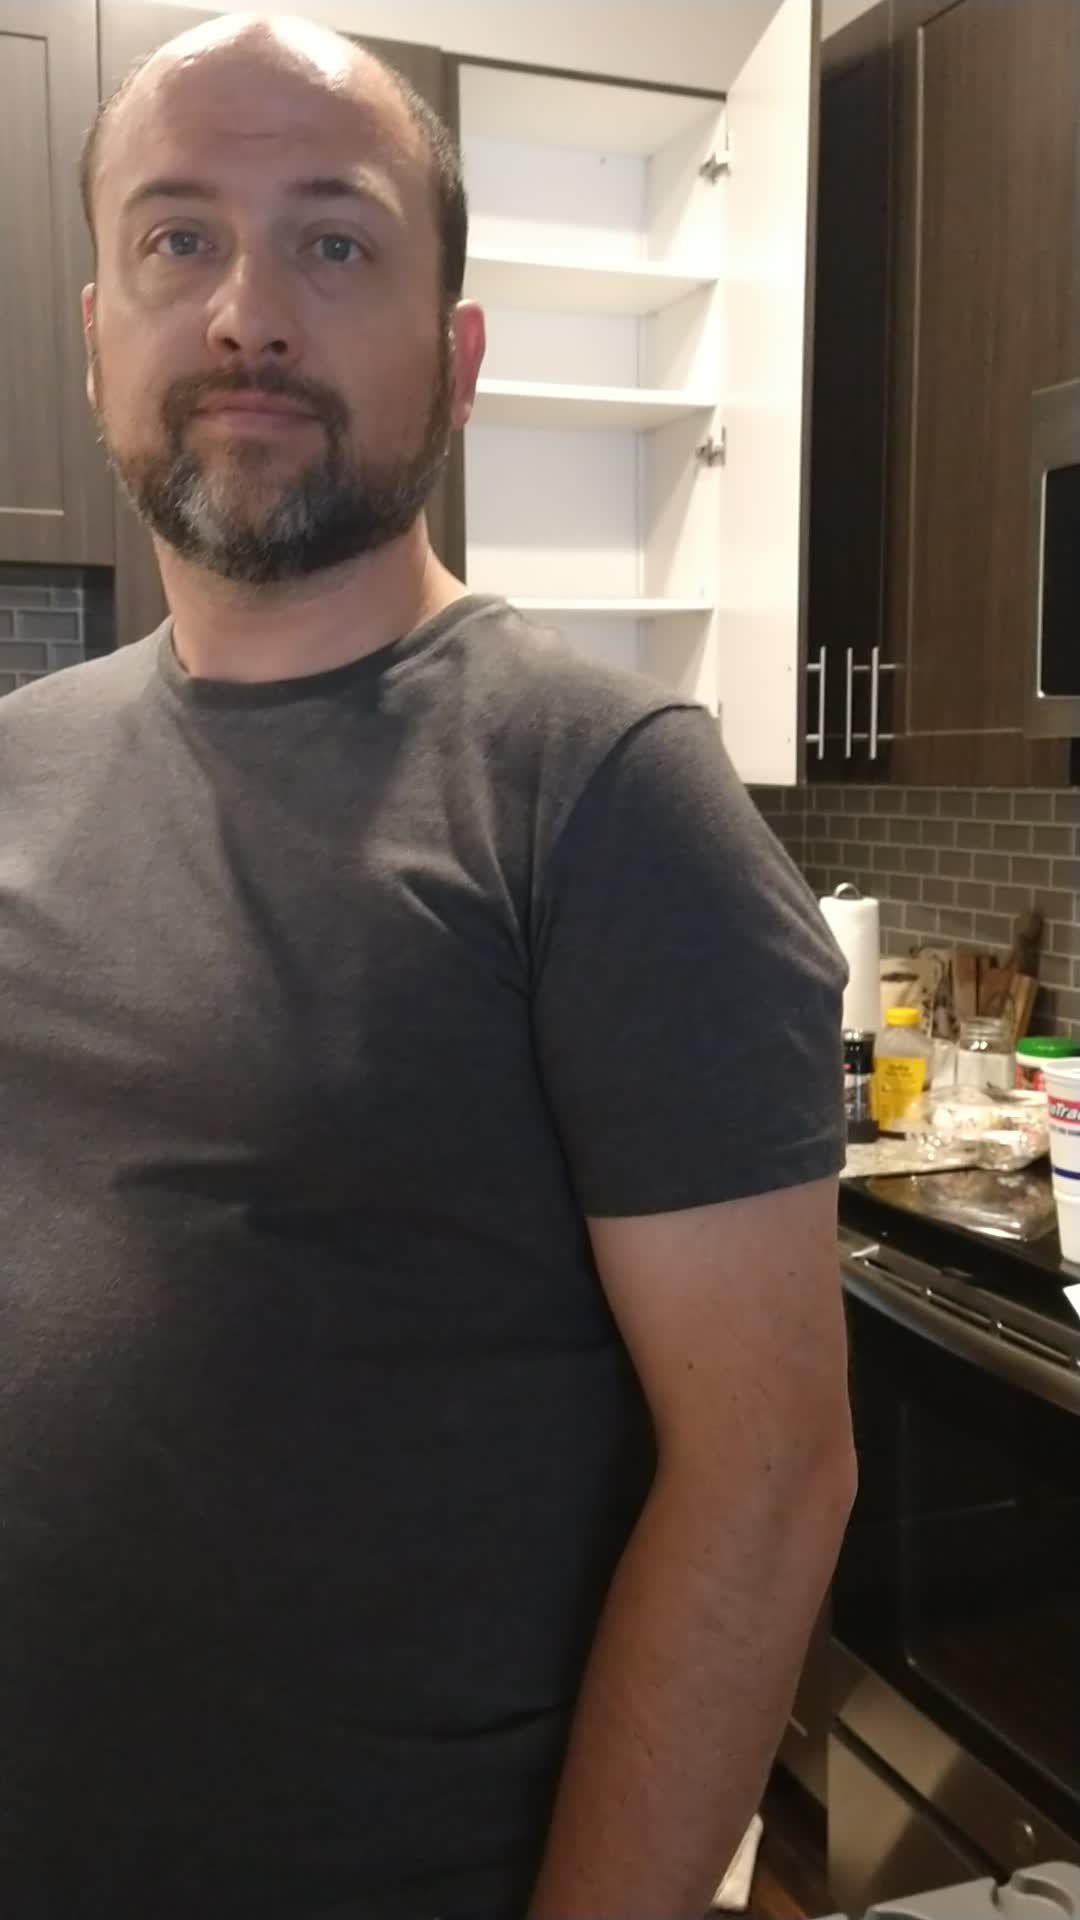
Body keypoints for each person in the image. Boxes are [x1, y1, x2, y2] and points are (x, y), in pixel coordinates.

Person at [0, 14, 855, 1918]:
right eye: (179, 238)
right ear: (97, 336)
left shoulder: (601, 799)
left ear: (455, 358)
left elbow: (773, 1472)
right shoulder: (17, 764)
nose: (247, 314)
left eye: (335, 241)